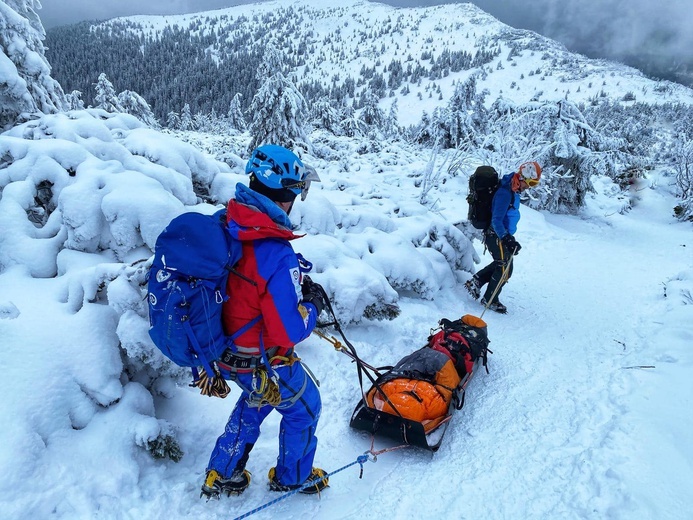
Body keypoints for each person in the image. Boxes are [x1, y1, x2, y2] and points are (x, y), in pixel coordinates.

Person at [200, 144, 329, 499]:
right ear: (285, 195)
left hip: (223, 351)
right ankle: (293, 478)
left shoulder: (231, 224)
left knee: (258, 400)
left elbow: (246, 284)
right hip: (263, 358)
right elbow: (289, 330)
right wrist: (312, 306)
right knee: (305, 408)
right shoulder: (275, 251)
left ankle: (222, 471)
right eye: (297, 192)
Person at [464, 162, 541, 314]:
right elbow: (496, 219)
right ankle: (490, 300)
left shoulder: (511, 188)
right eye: (530, 182)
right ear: (523, 176)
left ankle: (476, 281)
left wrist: (509, 238)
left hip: (501, 234)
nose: (530, 187)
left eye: (534, 184)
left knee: (504, 263)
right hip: (496, 234)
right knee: (505, 267)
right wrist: (506, 238)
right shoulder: (505, 192)